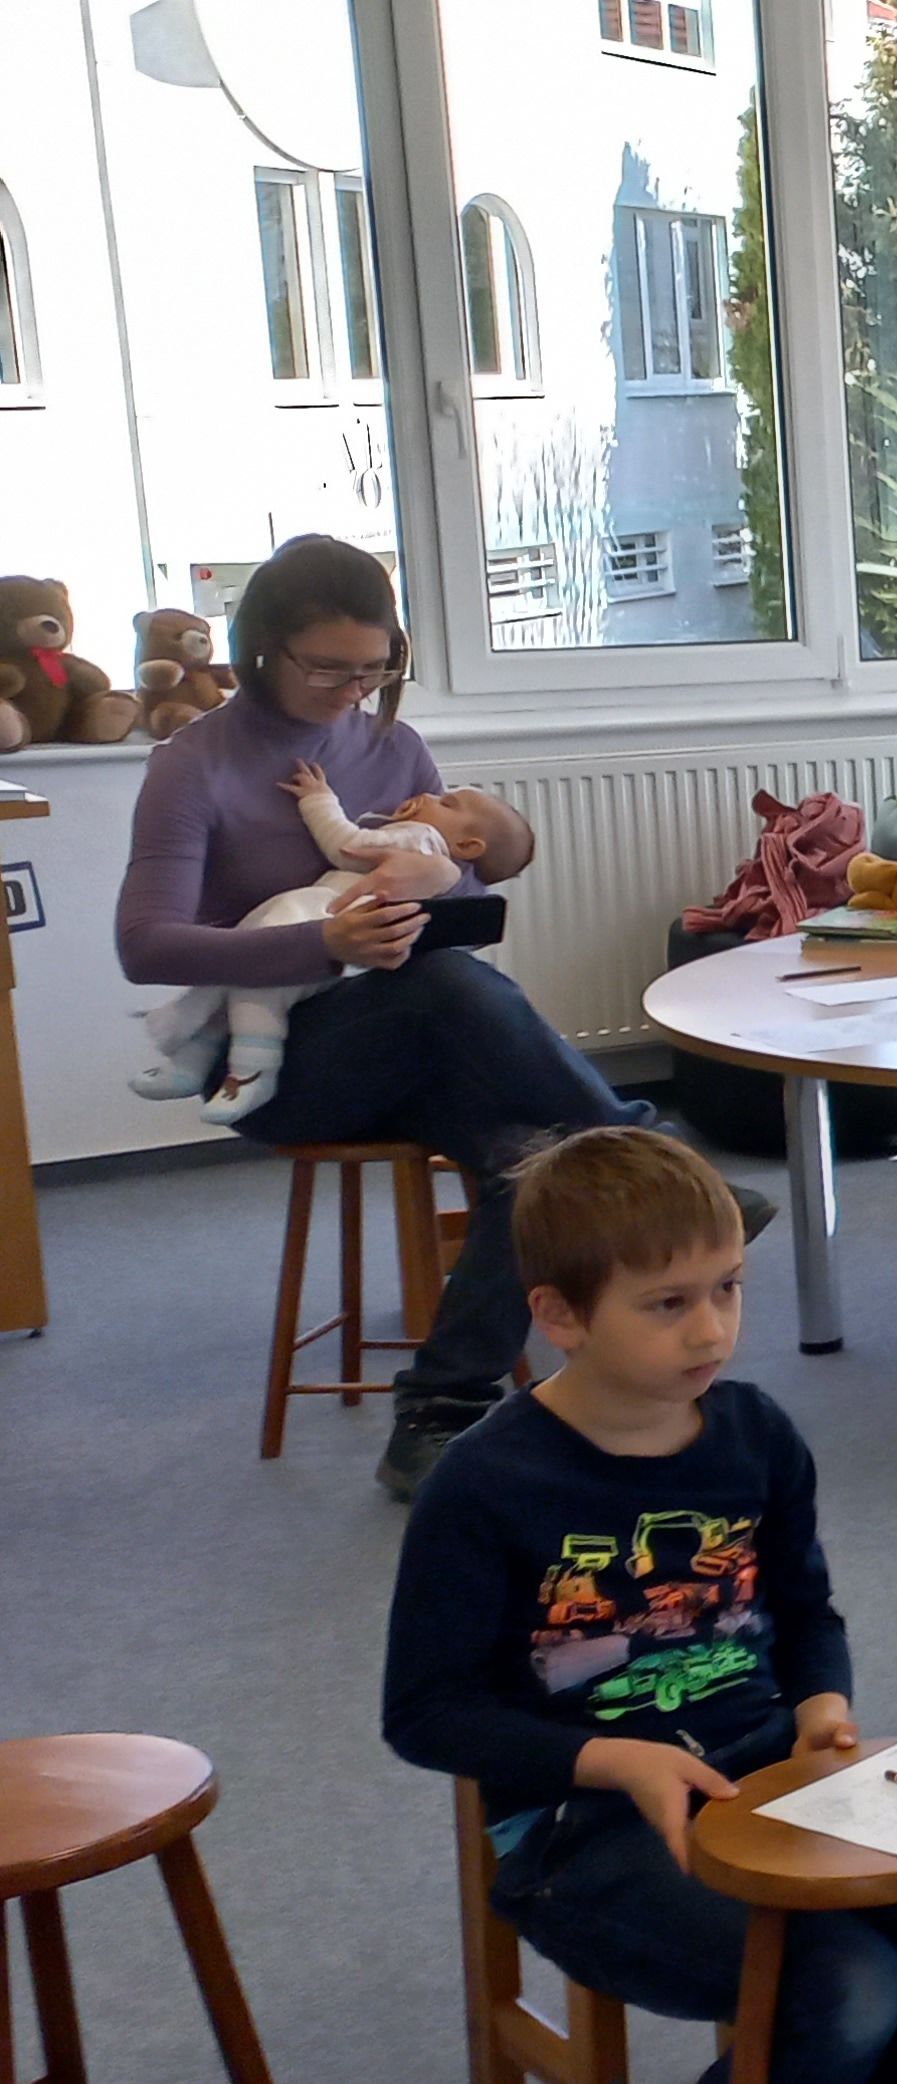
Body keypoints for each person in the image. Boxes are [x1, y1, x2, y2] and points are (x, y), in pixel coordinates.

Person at [383, 1127, 897, 2081]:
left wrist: (822, 1706)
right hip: (582, 1829)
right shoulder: (484, 1483)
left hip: (766, 1774)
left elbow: (806, 1611)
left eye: (728, 1288)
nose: (711, 1331)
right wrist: (617, 1760)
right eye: (668, 1304)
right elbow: (425, 1714)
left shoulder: (755, 1433)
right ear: (559, 1315)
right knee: (849, 1987)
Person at [114, 533, 730, 1502]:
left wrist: (447, 884)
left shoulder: (393, 747)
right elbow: (146, 947)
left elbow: (458, 893)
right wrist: (325, 943)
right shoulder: (192, 766)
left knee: (534, 1156)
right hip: (274, 1061)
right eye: (328, 668)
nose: (354, 691)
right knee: (448, 993)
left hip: (415, 1036)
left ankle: (436, 1415)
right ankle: (652, 1150)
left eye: (375, 668)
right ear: (260, 647)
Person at [135, 764, 535, 1124]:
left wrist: (319, 800)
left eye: (446, 803)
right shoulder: (428, 840)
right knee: (241, 974)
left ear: (468, 847)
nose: (430, 795)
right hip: (321, 930)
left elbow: (346, 844)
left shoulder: (422, 838)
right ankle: (196, 1063)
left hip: (326, 922)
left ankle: (247, 1073)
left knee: (255, 984)